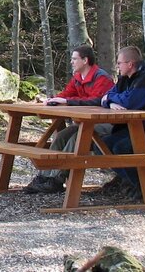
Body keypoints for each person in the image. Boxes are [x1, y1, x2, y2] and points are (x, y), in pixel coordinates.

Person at [24, 45, 115, 194]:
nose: (71, 62)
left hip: (106, 124)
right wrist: (53, 100)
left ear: (85, 60)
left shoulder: (102, 78)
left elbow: (97, 101)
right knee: (61, 136)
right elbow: (66, 94)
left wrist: (68, 102)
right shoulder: (78, 78)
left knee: (76, 138)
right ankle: (45, 176)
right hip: (85, 123)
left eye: (74, 59)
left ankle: (56, 179)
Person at [95, 46, 145, 197]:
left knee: (120, 148)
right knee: (101, 146)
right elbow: (106, 97)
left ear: (130, 64)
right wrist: (110, 102)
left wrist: (111, 99)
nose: (117, 66)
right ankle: (139, 182)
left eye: (119, 63)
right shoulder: (124, 79)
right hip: (133, 129)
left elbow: (130, 102)